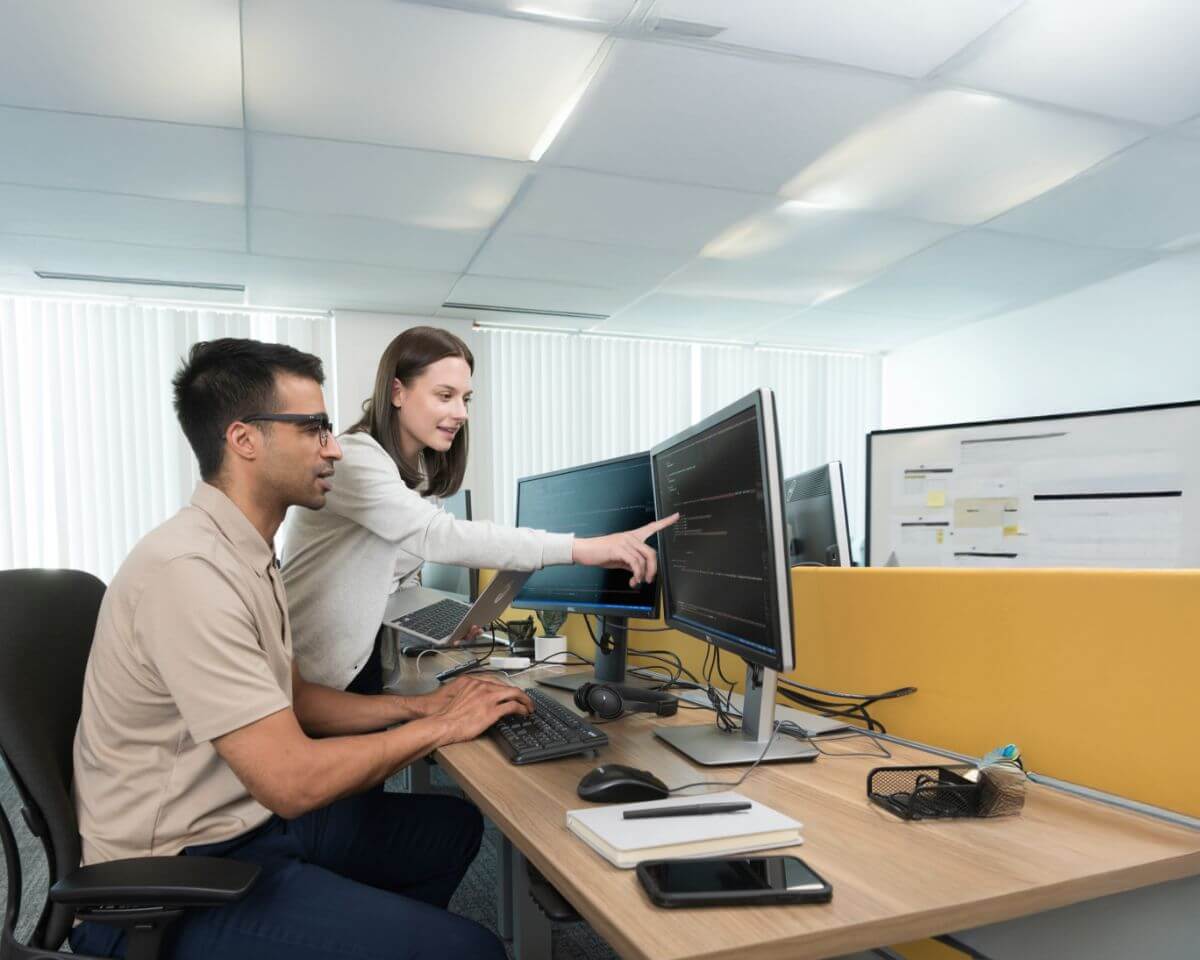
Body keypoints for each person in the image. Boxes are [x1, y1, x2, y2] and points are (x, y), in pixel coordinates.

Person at [71, 338, 524, 960]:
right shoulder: (191, 573)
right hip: (172, 878)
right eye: (314, 429)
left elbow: (297, 700)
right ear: (244, 440)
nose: (334, 448)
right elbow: (290, 781)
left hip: (245, 823)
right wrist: (444, 727)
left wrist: (420, 708)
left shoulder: (248, 554)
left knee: (448, 830)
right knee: (470, 951)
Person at [282, 325, 676, 694]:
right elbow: (437, 535)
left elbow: (390, 578)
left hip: (361, 663)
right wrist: (583, 548)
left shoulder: (411, 476)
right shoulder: (355, 459)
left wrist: (439, 619)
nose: (462, 413)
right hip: (315, 678)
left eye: (465, 398)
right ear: (397, 392)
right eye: (445, 395)